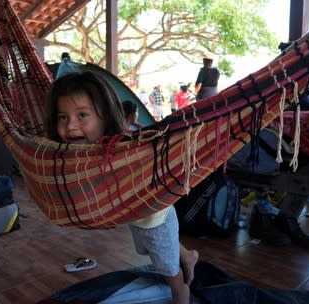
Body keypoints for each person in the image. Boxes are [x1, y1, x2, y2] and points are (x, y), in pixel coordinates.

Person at [46, 71, 199, 304]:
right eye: (63, 117)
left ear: (105, 117)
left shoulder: (123, 147)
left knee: (164, 263)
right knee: (155, 246)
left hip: (155, 213)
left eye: (82, 115)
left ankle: (181, 292)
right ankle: (188, 256)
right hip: (136, 215)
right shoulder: (79, 153)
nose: (70, 126)